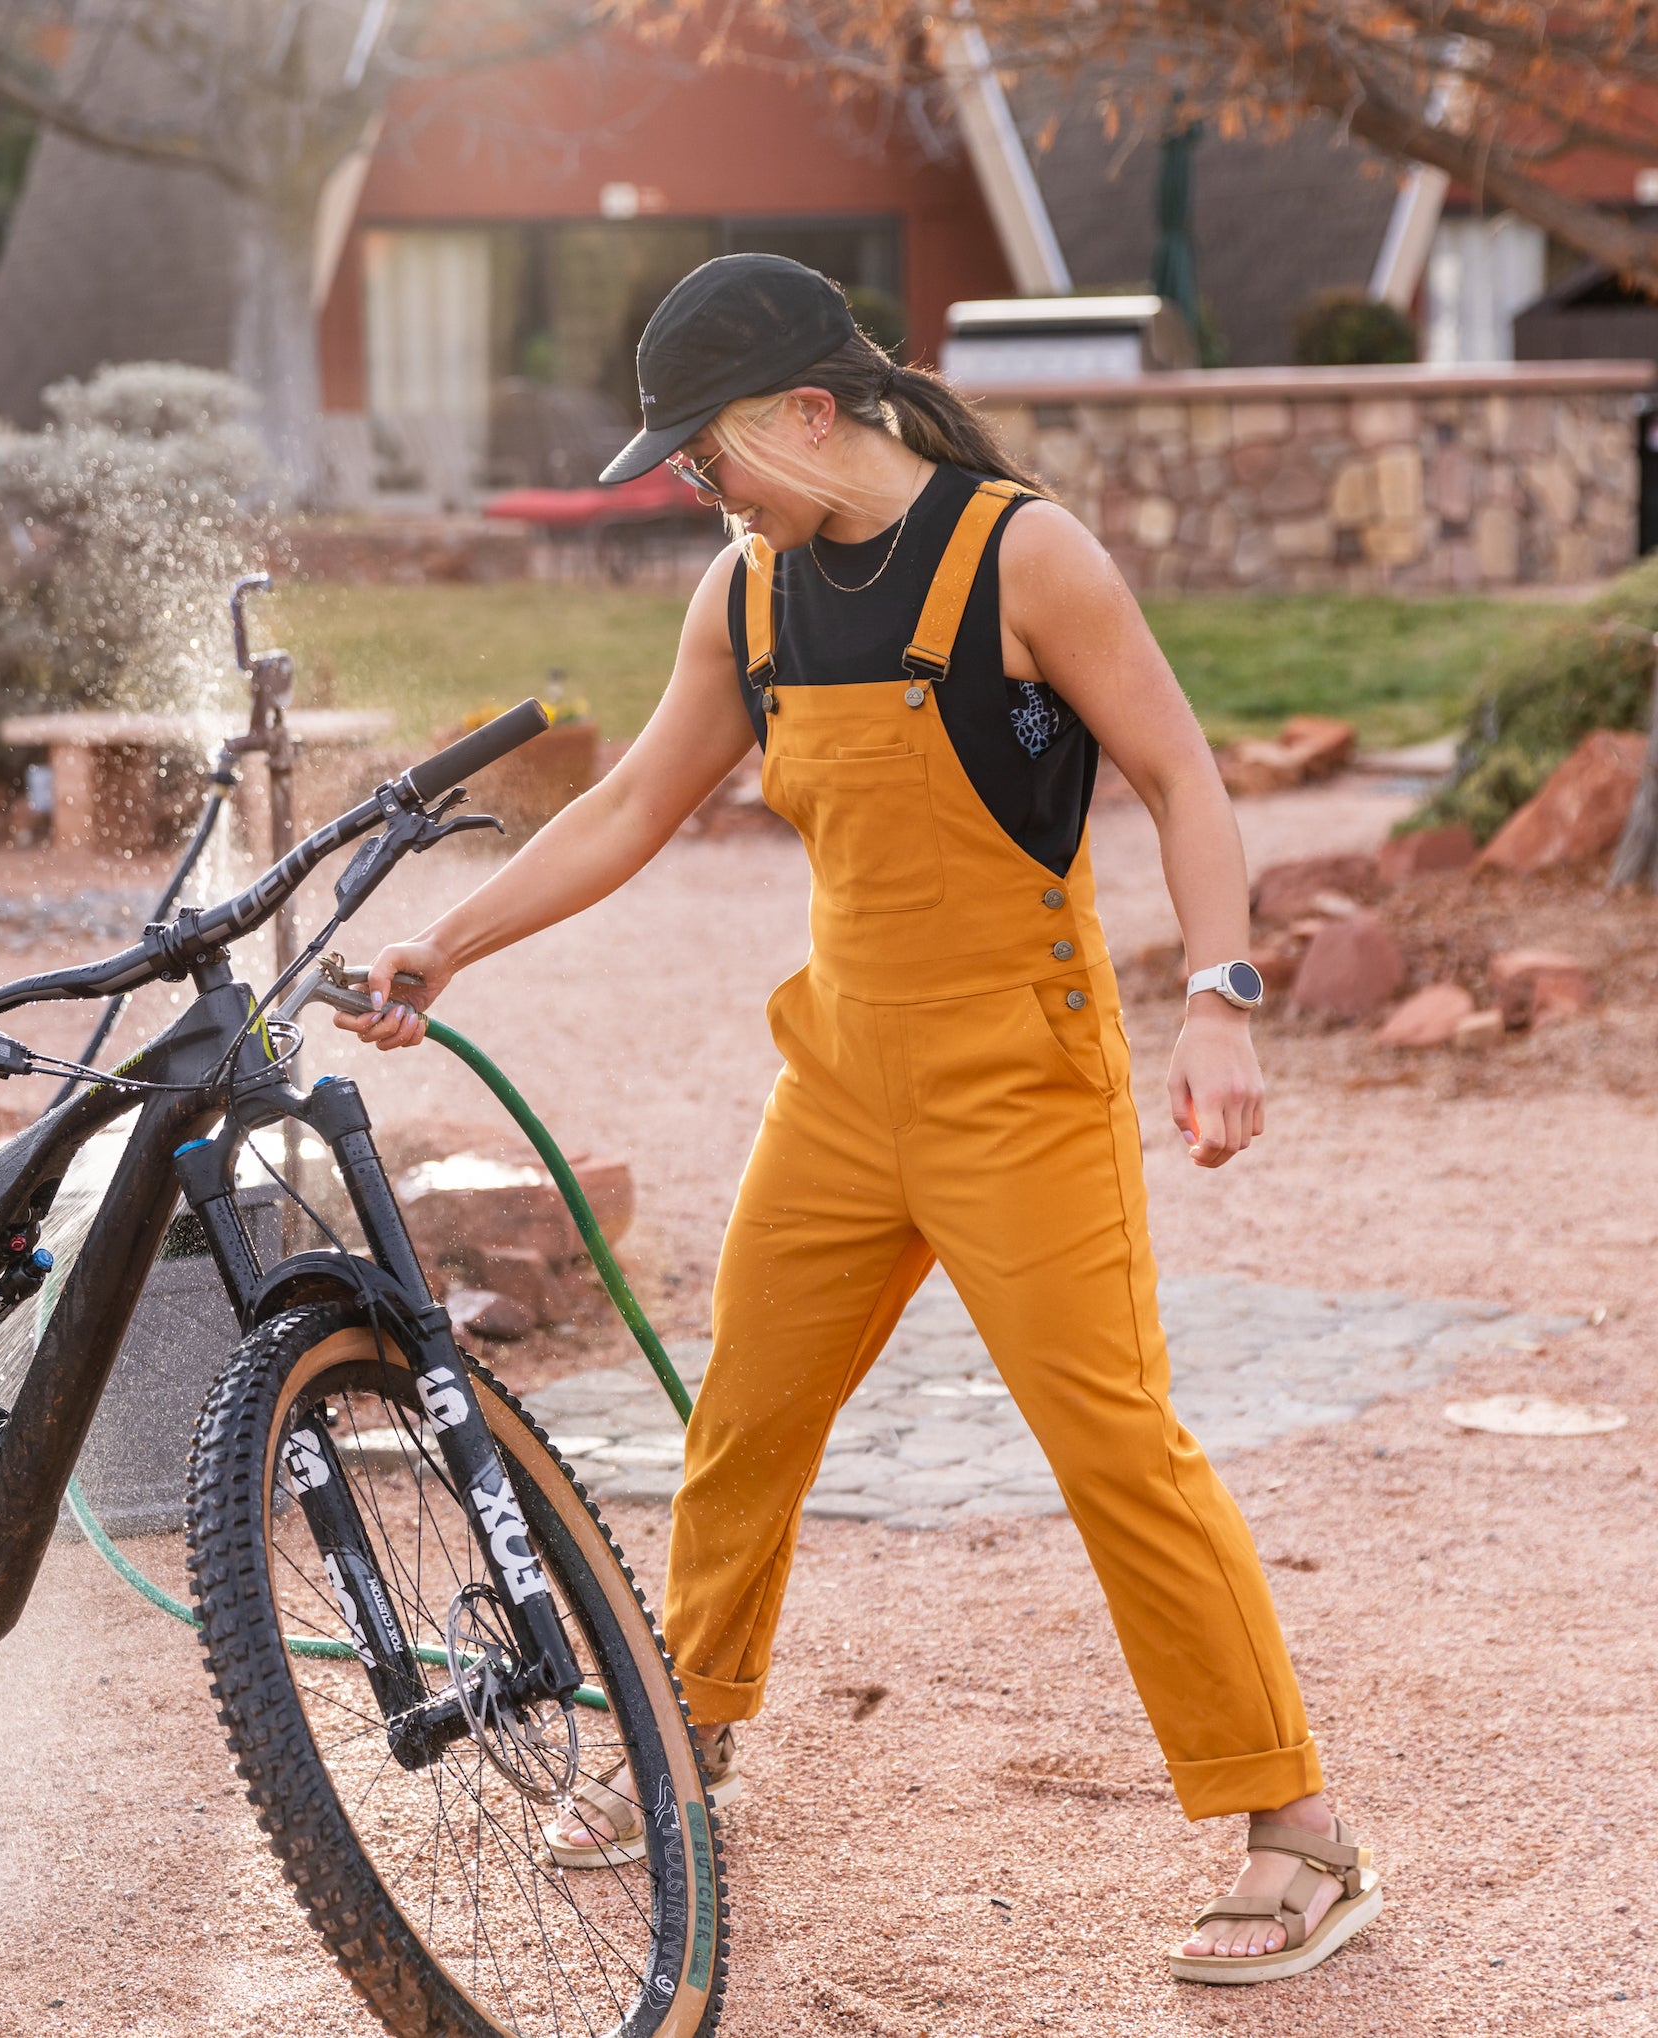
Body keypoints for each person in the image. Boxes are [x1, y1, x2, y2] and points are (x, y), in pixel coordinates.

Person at [337, 254, 1380, 1985]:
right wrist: (444, 942)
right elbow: (627, 806)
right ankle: (690, 1736)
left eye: (707, 453)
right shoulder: (745, 594)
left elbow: (1185, 776)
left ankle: (1298, 1830)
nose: (701, 488)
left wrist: (1220, 996)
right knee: (742, 1416)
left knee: (1115, 1443)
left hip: (1018, 1086)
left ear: (812, 411)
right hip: (837, 1085)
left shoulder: (1022, 555)